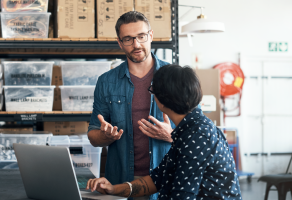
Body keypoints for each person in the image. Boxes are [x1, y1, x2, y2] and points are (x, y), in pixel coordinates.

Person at [86, 64, 242, 199]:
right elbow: (157, 179)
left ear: (160, 99)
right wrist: (113, 189)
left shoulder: (197, 136)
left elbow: (182, 195)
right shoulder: (189, 130)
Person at [87, 11, 176, 200]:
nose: (136, 44)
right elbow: (93, 136)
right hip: (120, 181)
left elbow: (198, 129)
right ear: (120, 43)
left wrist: (171, 135)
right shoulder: (106, 82)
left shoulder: (175, 76)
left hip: (166, 178)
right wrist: (105, 136)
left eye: (141, 36)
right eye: (128, 39)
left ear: (150, 35)